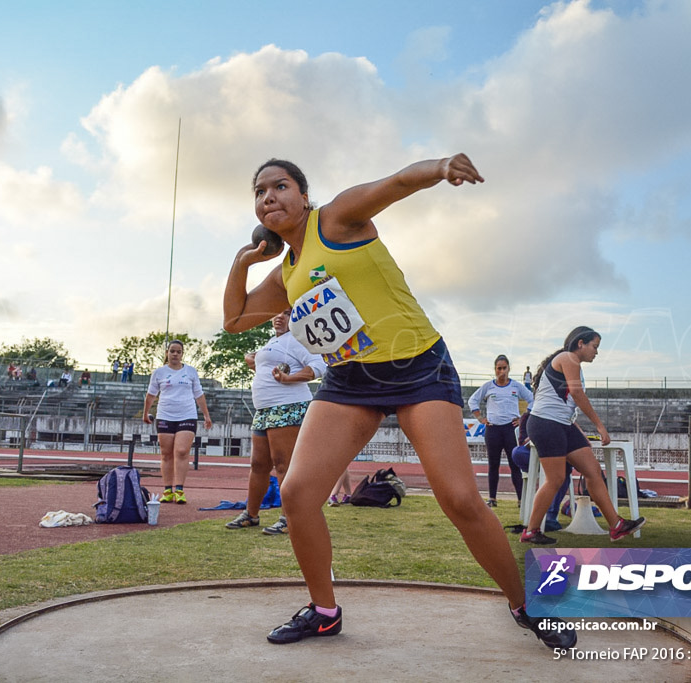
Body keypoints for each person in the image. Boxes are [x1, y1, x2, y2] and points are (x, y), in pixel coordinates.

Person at [223, 154, 574, 649]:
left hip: (418, 368)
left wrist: (442, 167)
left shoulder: (339, 217)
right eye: (259, 192)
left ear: (303, 194)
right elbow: (235, 319)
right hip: (350, 381)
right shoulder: (286, 274)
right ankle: (323, 611)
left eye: (279, 186)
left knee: (459, 499)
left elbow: (398, 182)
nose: (268, 197)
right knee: (299, 493)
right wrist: (242, 263)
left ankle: (526, 604)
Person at [521, 326, 645, 544]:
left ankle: (616, 525)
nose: (596, 352)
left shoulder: (573, 364)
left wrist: (579, 432)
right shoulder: (568, 358)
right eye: (594, 346)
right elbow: (576, 394)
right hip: (545, 424)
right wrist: (600, 426)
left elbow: (567, 405)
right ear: (581, 344)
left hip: (563, 425)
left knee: (593, 470)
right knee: (556, 478)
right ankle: (531, 531)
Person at [226, 309, 326, 535]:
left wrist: (290, 378)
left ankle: (289, 517)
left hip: (287, 407)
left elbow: (319, 365)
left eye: (287, 313)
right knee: (258, 465)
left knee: (283, 465)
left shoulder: (298, 339)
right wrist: (251, 358)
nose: (280, 317)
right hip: (264, 410)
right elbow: (262, 359)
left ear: (297, 318)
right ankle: (251, 515)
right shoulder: (274, 341)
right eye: (277, 313)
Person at [143, 341, 213, 504]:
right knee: (166, 453)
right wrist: (146, 412)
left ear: (182, 354)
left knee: (181, 451)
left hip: (187, 415)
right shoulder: (159, 373)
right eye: (172, 351)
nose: (175, 354)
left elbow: (199, 394)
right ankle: (168, 490)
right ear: (167, 353)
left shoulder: (190, 372)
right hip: (165, 415)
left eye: (178, 352)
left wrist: (206, 415)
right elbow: (151, 394)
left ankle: (179, 490)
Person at [468, 354, 534, 508]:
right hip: (493, 430)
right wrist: (480, 418)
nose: (502, 371)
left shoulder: (516, 386)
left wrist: (523, 417)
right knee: (493, 464)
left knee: (514, 464)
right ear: (495, 370)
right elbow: (472, 400)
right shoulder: (488, 386)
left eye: (504, 368)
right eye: (499, 368)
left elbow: (532, 399)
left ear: (509, 369)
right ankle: (492, 498)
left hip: (511, 429)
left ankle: (520, 499)